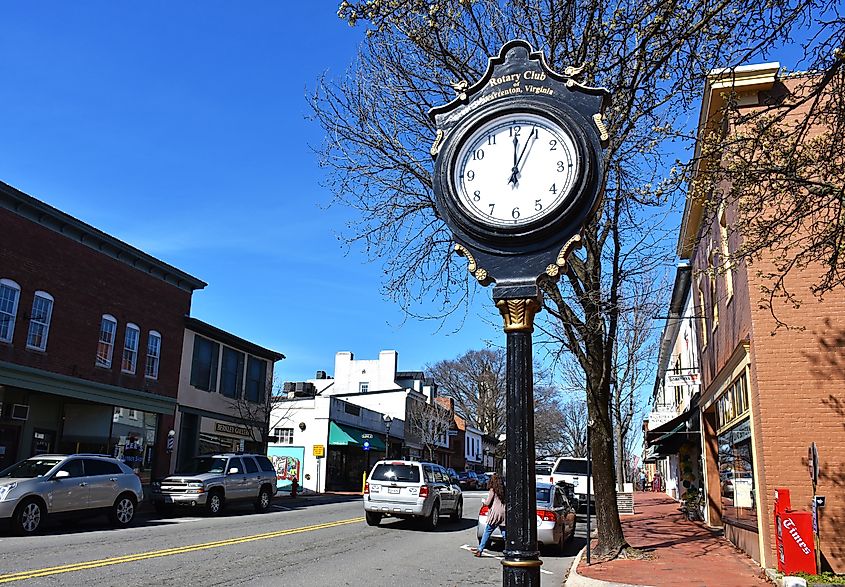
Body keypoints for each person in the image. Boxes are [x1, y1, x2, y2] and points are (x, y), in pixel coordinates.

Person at [472, 472, 506, 557]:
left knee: (487, 531)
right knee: (504, 531)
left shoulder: (492, 490)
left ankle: (480, 550)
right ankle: (509, 548)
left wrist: (483, 501)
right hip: (504, 512)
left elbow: (487, 503)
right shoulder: (504, 490)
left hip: (495, 513)